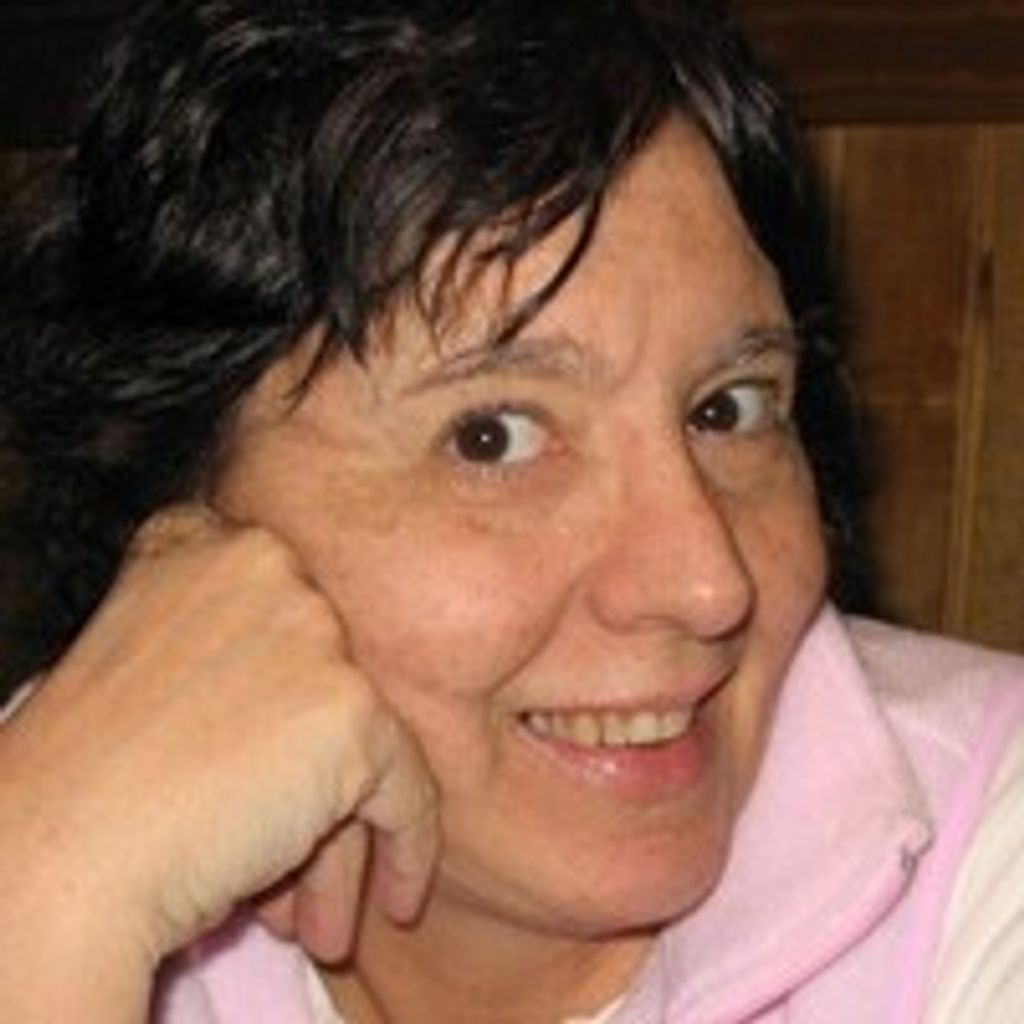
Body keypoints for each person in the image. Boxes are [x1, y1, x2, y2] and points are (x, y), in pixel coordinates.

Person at [1, 1, 1022, 1021]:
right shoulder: (58, 811)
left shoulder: (989, 852)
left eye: (729, 409)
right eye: (492, 437)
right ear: (175, 506)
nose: (707, 583)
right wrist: (50, 907)